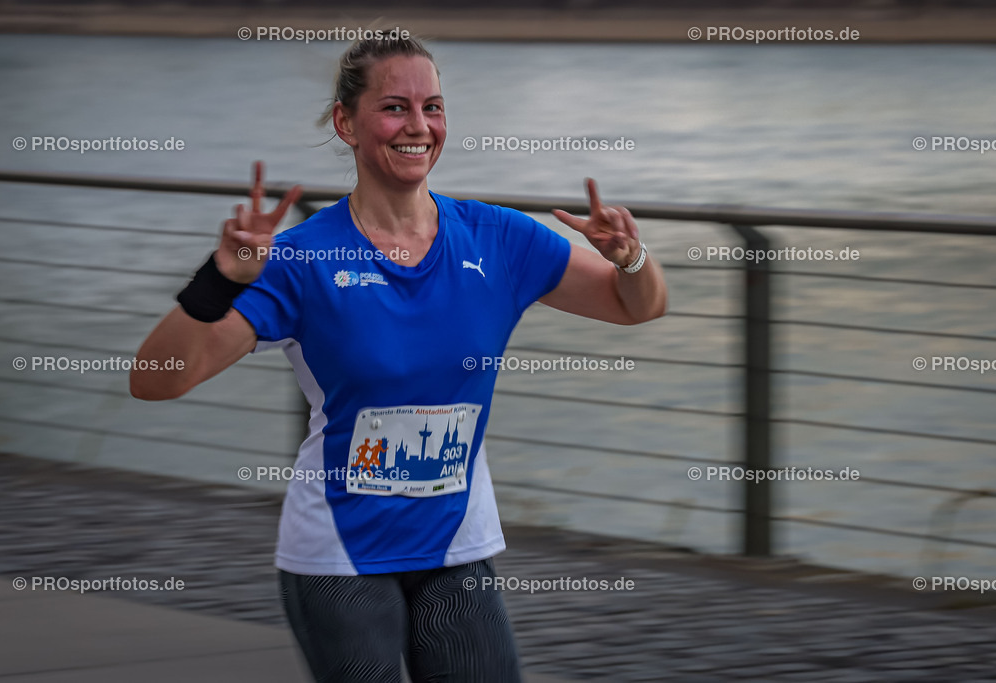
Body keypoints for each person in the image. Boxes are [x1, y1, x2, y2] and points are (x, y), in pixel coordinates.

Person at [131, 34, 666, 683]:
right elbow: (157, 381)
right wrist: (220, 280)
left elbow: (636, 306)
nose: (418, 126)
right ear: (346, 122)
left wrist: (632, 258)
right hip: (340, 555)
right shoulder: (302, 259)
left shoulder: (498, 238)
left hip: (456, 548)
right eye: (394, 108)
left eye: (432, 107)